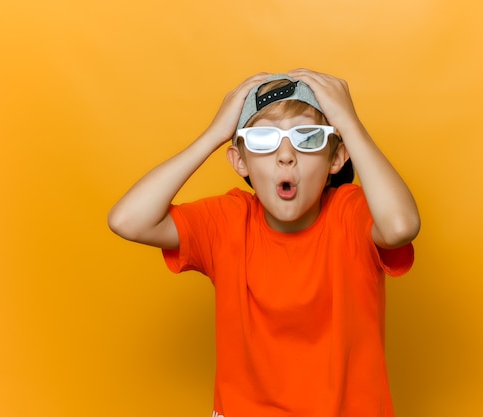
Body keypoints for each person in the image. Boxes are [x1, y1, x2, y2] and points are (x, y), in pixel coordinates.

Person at [108, 68, 420, 417]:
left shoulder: (351, 215)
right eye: (263, 140)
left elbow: (400, 226)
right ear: (240, 160)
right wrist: (213, 135)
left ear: (336, 157)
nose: (285, 155)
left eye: (307, 137)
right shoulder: (227, 222)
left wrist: (350, 123)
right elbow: (127, 220)